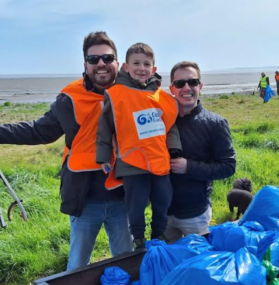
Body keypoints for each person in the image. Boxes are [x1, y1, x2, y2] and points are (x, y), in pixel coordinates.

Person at [0, 31, 132, 271]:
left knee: (127, 262)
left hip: (123, 197)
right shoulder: (69, 99)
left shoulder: (134, 94)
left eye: (107, 58)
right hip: (85, 198)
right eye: (93, 59)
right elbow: (38, 131)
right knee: (77, 267)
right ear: (85, 65)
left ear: (117, 63)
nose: (101, 64)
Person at [96, 43, 181, 250]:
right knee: (136, 204)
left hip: (159, 159)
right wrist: (104, 156)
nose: (141, 68)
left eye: (146, 64)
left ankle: (159, 234)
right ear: (126, 67)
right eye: (136, 63)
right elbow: (105, 128)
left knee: (163, 199)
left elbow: (170, 126)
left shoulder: (162, 97)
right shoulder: (116, 94)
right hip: (131, 162)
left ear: (154, 69)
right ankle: (139, 238)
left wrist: (174, 149)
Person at [164, 61, 236, 242]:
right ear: (172, 89)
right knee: (167, 257)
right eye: (180, 83)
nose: (186, 88)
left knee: (198, 257)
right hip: (163, 211)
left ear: (200, 86)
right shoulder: (161, 120)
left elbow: (228, 166)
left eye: (192, 82)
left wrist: (189, 167)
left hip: (195, 214)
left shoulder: (215, 123)